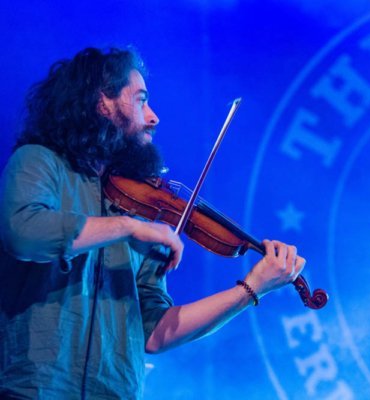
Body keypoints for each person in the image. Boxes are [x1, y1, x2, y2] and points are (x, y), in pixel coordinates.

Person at [0, 47, 305, 399]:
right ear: (102, 102)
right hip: (35, 390)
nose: (153, 117)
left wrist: (250, 289)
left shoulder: (137, 207)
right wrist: (127, 228)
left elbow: (155, 332)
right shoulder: (40, 161)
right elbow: (23, 232)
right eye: (141, 100)